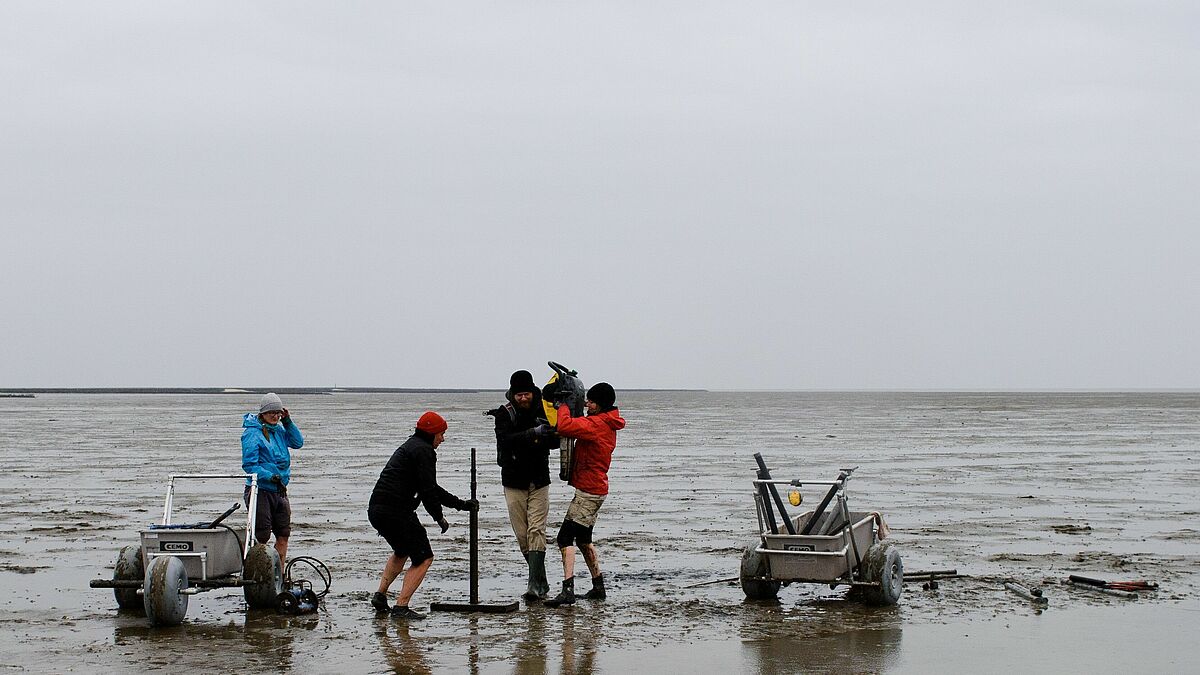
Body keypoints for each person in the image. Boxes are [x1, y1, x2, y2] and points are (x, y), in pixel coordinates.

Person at [367, 411, 479, 620]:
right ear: (432, 433)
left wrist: (459, 505)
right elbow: (428, 491)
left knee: (401, 550)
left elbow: (430, 487)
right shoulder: (424, 451)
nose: (442, 439)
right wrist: (439, 518)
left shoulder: (410, 446)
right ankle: (401, 607)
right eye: (441, 434)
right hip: (397, 511)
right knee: (424, 557)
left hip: (377, 509)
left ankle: (380, 595)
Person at [543, 382, 626, 607]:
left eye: (590, 401)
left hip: (589, 492)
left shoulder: (598, 424)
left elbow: (566, 425)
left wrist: (562, 405)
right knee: (583, 539)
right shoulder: (605, 421)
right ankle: (598, 586)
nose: (587, 403)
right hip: (595, 490)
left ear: (599, 405)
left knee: (563, 538)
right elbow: (573, 426)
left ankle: (567, 590)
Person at [487, 370, 557, 602]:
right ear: (512, 395)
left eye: (526, 394)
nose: (523, 398)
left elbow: (556, 440)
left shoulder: (544, 409)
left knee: (536, 529)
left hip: (539, 480)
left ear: (533, 391)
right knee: (522, 534)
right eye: (519, 395)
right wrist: (532, 435)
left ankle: (533, 586)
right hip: (513, 481)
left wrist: (544, 434)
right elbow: (505, 441)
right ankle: (541, 580)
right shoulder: (504, 413)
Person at [241, 392, 304, 562]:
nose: (275, 416)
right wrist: (270, 476)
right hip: (260, 490)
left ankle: (279, 576)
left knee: (283, 534)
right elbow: (249, 466)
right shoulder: (252, 434)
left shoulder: (280, 430)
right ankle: (259, 572)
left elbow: (298, 443)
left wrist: (288, 422)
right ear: (262, 414)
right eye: (271, 413)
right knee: (262, 536)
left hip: (280, 490)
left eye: (278, 413)